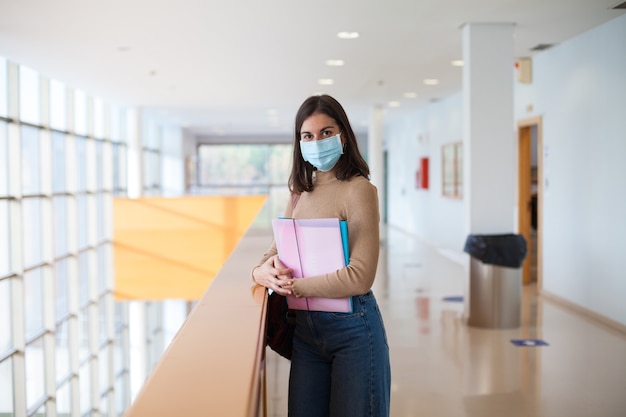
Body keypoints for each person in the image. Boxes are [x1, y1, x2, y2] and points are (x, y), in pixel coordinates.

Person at [252, 94, 391, 417]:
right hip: (305, 332)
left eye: (326, 133)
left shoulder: (360, 190)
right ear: (299, 143)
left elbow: (360, 276)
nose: (317, 142)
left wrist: (295, 287)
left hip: (354, 331)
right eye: (308, 136)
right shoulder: (299, 193)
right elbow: (275, 252)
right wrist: (260, 273)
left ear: (343, 135)